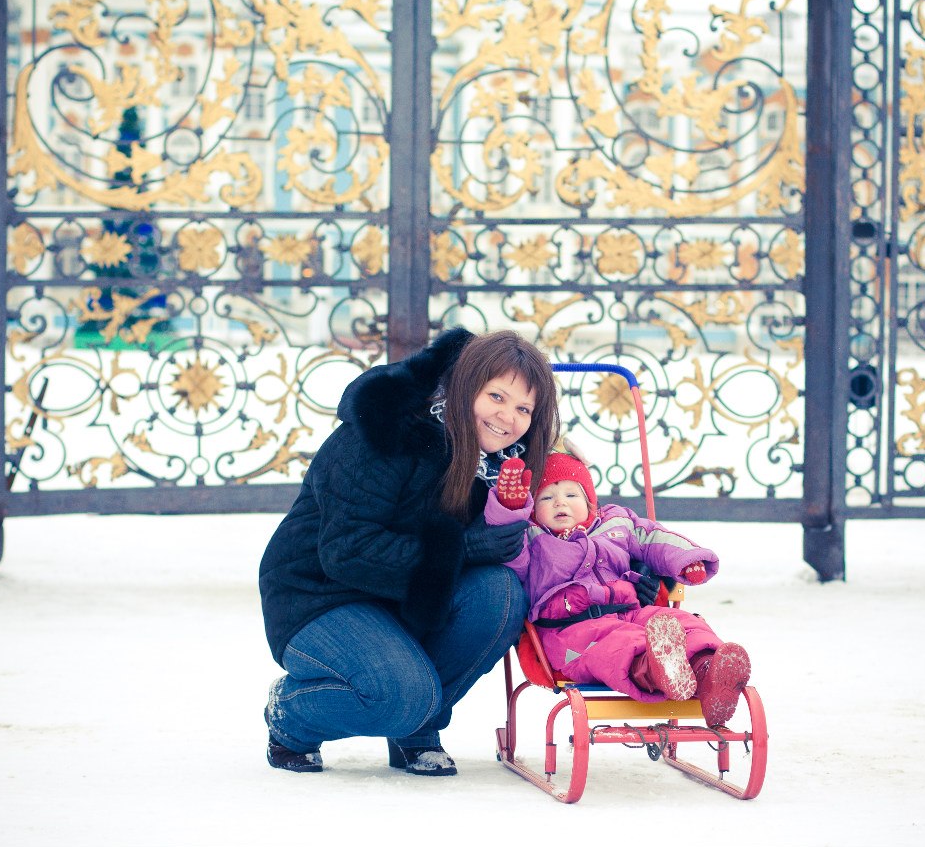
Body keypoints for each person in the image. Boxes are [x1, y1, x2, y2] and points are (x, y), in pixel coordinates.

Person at [258, 328, 559, 775]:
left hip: (402, 599)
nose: (507, 417)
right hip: (318, 594)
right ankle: (293, 714)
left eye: (523, 408)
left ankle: (416, 731)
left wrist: (624, 571)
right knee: (400, 696)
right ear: (466, 386)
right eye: (496, 396)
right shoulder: (389, 430)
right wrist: (463, 547)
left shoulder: (501, 466)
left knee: (500, 595)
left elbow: (556, 537)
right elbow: (346, 550)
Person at [486, 450, 751, 728]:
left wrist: (687, 558)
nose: (559, 502)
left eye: (571, 495)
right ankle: (656, 669)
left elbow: (653, 538)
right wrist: (509, 510)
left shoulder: (615, 522)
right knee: (618, 644)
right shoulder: (532, 537)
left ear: (590, 501)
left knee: (681, 622)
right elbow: (507, 551)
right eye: (546, 498)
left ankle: (709, 671)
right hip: (570, 630)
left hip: (629, 611)